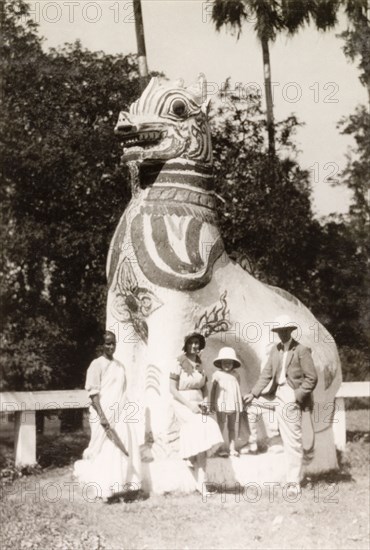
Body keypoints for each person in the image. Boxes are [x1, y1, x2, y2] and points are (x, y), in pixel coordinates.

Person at [243, 315, 318, 496]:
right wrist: (253, 393)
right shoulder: (275, 350)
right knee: (252, 405)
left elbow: (312, 378)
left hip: (290, 395)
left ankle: (293, 482)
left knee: (292, 440)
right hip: (275, 394)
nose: (282, 334)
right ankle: (253, 443)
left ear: (291, 331)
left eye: (285, 331)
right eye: (279, 331)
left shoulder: (301, 350)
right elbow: (266, 375)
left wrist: (297, 395)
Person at [74, 331, 141, 502]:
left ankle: (124, 486)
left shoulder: (120, 366)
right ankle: (105, 489)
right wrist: (103, 417)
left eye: (113, 343)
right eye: (108, 343)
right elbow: (93, 394)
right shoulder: (96, 365)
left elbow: (123, 391)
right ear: (101, 345)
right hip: (102, 413)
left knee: (122, 446)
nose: (111, 346)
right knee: (104, 449)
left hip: (120, 413)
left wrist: (125, 411)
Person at [170, 332, 223, 492]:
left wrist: (205, 401)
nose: (194, 346)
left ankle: (200, 478)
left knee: (208, 427)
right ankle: (190, 459)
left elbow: (204, 388)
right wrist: (189, 405)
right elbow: (172, 389)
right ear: (186, 345)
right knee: (198, 426)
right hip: (182, 403)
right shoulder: (178, 363)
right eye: (191, 343)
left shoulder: (201, 364)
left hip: (199, 403)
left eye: (197, 343)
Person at [210, 347, 255, 457]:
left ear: (233, 363)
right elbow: (213, 390)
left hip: (233, 404)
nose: (227, 364)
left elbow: (236, 389)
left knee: (232, 427)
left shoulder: (236, 375)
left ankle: (232, 448)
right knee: (220, 426)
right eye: (224, 362)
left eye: (229, 362)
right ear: (220, 363)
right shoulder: (217, 375)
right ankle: (219, 448)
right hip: (222, 404)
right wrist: (211, 403)